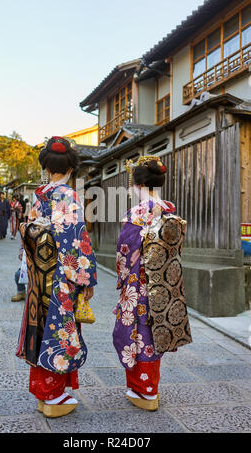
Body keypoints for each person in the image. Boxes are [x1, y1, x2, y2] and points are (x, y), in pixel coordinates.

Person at [16, 136, 97, 419]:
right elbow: (77, 240)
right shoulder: (67, 195)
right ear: (72, 168)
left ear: (46, 167)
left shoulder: (39, 197)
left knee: (41, 329)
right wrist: (87, 278)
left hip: (40, 277)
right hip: (62, 278)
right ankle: (53, 395)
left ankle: (44, 393)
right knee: (59, 332)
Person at [113, 155, 192, 411]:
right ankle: (150, 388)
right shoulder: (170, 211)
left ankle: (144, 391)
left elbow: (124, 250)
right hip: (165, 285)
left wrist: (124, 277)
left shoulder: (136, 214)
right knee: (155, 333)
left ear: (136, 184)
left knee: (139, 334)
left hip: (140, 283)